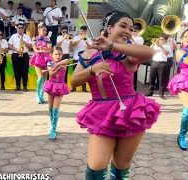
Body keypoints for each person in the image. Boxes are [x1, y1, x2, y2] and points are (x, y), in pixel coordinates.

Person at [71, 11, 160, 179]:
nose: (128, 31)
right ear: (110, 28)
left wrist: (111, 46)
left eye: (131, 29)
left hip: (130, 112)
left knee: (121, 168)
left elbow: (149, 53)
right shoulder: (90, 54)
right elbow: (74, 81)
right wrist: (92, 69)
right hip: (101, 114)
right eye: (123, 26)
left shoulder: (128, 54)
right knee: (96, 168)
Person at [44, 46, 70, 139]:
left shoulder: (63, 63)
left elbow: (67, 60)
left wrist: (59, 64)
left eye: (59, 54)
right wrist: (57, 69)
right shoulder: (50, 63)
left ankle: (53, 129)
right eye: (55, 54)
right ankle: (52, 125)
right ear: (51, 55)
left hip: (60, 86)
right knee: (50, 108)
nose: (57, 56)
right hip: (51, 85)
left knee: (55, 109)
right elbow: (50, 74)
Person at [31, 24, 52, 103]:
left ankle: (41, 95)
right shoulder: (34, 39)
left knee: (44, 78)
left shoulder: (47, 39)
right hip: (38, 59)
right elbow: (35, 50)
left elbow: (50, 48)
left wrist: (44, 48)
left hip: (46, 59)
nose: (45, 32)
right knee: (40, 78)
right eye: (43, 30)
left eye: (46, 30)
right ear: (39, 30)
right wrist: (44, 50)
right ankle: (37, 95)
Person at [145, 34, 171, 99]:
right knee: (152, 78)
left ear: (165, 40)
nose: (161, 41)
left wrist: (161, 47)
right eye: (160, 39)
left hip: (162, 63)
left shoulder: (168, 46)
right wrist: (154, 44)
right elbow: (149, 50)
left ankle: (161, 93)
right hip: (154, 62)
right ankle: (150, 92)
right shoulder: (155, 46)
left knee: (161, 79)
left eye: (162, 39)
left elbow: (166, 53)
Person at [8, 23, 32, 91]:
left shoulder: (27, 36)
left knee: (25, 71)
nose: (20, 29)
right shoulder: (13, 36)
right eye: (19, 28)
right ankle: (17, 85)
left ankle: (25, 86)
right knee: (16, 71)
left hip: (24, 54)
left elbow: (30, 47)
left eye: (22, 28)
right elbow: (9, 45)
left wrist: (24, 42)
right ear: (17, 29)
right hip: (16, 54)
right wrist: (16, 49)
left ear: (24, 29)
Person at [71, 26, 92, 92]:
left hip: (84, 58)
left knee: (84, 73)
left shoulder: (88, 38)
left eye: (84, 31)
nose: (83, 32)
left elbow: (90, 47)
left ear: (86, 32)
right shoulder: (76, 37)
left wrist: (86, 41)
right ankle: (74, 87)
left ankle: (84, 88)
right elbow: (73, 44)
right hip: (76, 57)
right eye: (82, 31)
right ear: (79, 31)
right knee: (74, 72)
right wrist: (80, 39)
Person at [130, 25, 144, 91]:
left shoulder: (140, 39)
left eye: (134, 31)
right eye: (132, 31)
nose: (133, 32)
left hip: (135, 57)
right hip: (128, 56)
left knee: (134, 73)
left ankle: (134, 89)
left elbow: (139, 47)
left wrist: (132, 40)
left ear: (138, 31)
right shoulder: (129, 38)